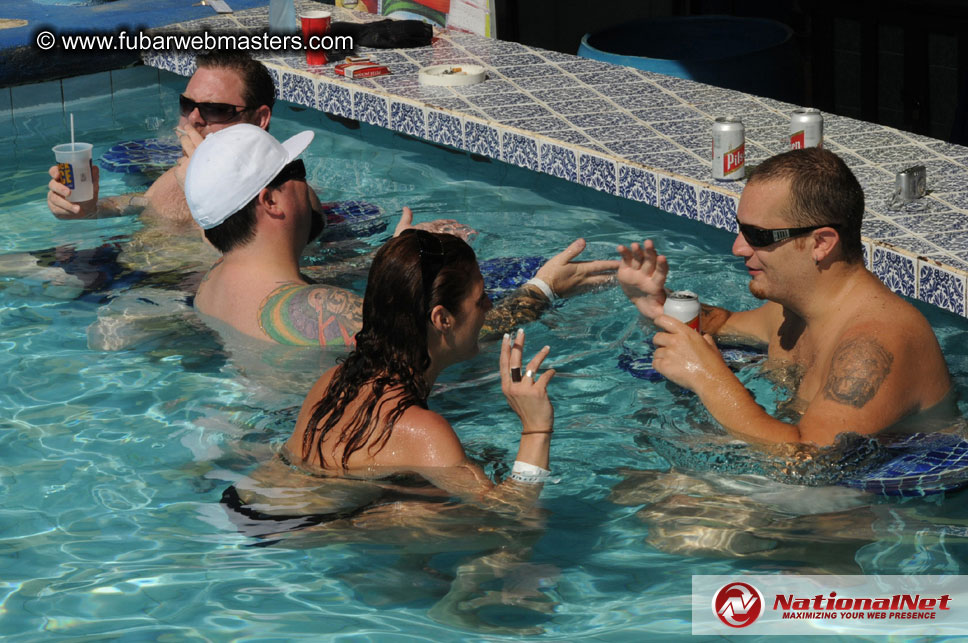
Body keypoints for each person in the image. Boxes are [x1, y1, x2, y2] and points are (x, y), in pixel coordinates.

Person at [616, 147, 954, 446]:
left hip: (872, 494)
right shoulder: (792, 312)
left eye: (758, 235)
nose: (738, 247)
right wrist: (660, 304)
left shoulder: (873, 345)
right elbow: (724, 324)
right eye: (740, 228)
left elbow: (807, 462)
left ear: (821, 243)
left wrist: (709, 379)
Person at [185, 124, 618, 347]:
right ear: (270, 202)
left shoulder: (215, 282)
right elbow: (451, 341)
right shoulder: (318, 308)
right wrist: (543, 290)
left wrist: (395, 259)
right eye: (295, 171)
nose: (305, 181)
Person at [283, 231, 559, 504]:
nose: (489, 305)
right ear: (442, 319)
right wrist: (536, 428)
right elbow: (512, 515)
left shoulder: (332, 382)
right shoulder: (424, 431)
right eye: (480, 298)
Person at [46, 50, 276, 225]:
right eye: (187, 104)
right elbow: (145, 201)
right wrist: (89, 209)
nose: (193, 118)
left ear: (259, 119)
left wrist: (205, 192)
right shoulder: (178, 175)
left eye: (215, 109)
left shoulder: (270, 203)